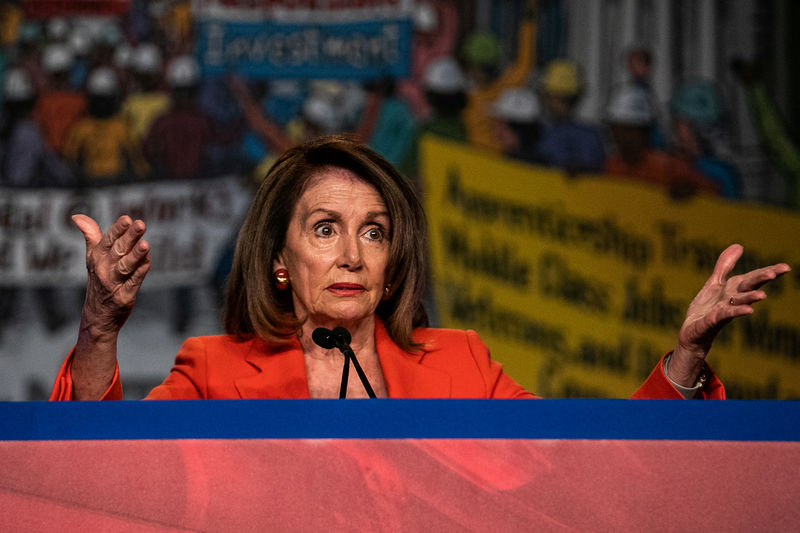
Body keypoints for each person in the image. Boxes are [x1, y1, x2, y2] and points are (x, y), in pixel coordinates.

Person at [50, 136, 790, 401]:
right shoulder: (211, 371)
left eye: (373, 231)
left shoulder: (462, 364)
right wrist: (99, 328)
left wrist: (687, 359)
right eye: (325, 229)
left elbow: (593, 467)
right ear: (279, 261)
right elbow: (104, 477)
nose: (351, 254)